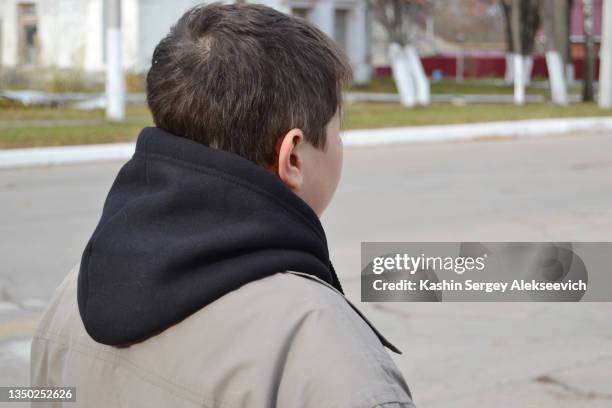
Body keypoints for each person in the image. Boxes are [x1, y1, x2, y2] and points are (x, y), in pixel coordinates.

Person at [30, 3, 415, 407]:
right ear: (293, 157)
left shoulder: (72, 295)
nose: (340, 144)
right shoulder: (325, 348)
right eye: (339, 129)